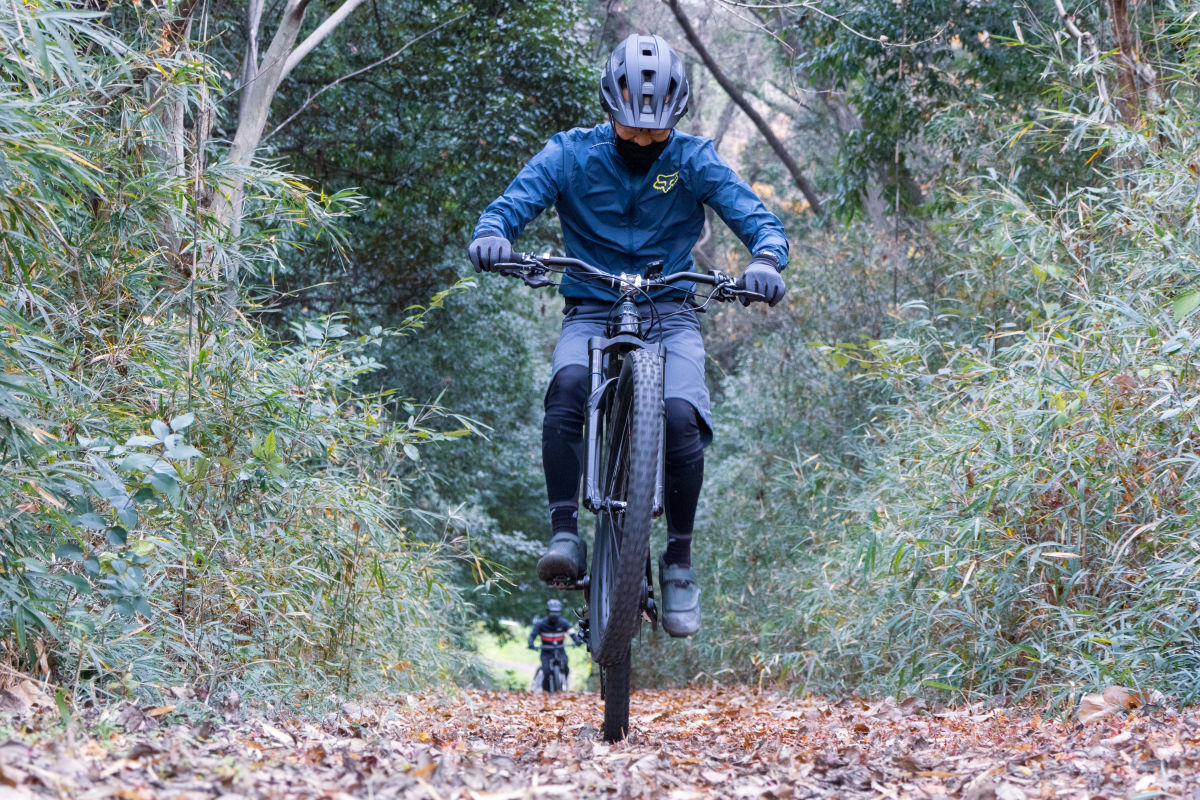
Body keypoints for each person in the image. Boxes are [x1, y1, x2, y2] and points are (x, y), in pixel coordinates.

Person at [469, 33, 789, 638]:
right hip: (591, 306)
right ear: (611, 110)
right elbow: (512, 204)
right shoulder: (569, 154)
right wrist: (493, 233)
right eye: (633, 129)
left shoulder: (695, 160)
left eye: (656, 133)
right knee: (567, 385)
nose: (644, 140)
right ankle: (566, 531)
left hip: (671, 310)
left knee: (680, 416)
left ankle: (679, 562)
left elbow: (756, 219)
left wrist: (766, 260)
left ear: (676, 119)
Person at [528, 599, 579, 691]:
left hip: (560, 650)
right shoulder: (541, 624)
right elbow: (532, 635)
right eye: (552, 613)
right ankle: (546, 691)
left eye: (557, 613)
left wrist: (577, 641)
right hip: (546, 651)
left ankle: (564, 685)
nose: (555, 616)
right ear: (547, 612)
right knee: (546, 671)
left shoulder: (564, 623)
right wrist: (531, 643)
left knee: (566, 668)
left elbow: (572, 634)